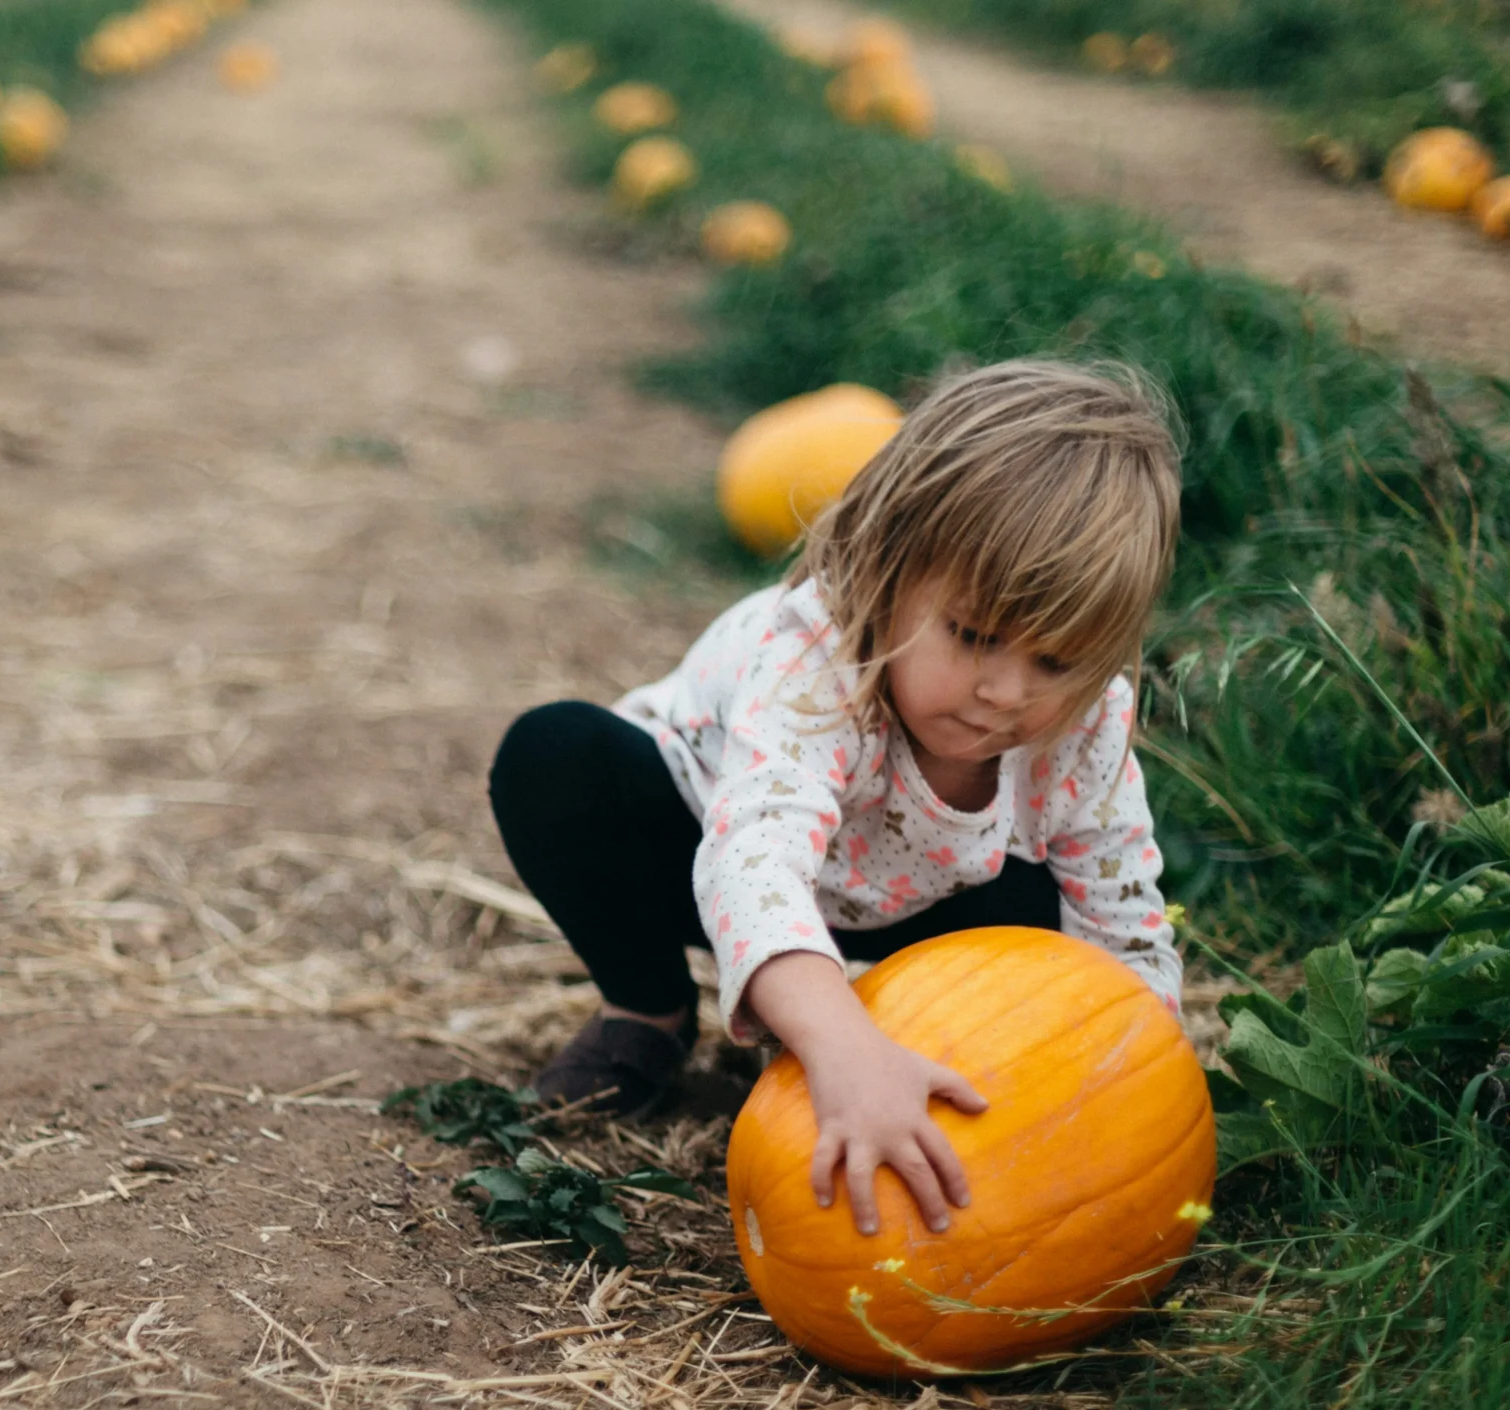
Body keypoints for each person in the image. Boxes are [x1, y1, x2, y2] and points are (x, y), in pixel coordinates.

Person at [489, 359, 1183, 1237]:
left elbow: (1125, 932)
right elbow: (753, 861)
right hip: (700, 847)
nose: (1006, 692)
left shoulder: (1086, 724)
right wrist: (841, 1047)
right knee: (555, 758)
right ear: (887, 571)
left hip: (915, 893)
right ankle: (648, 1009)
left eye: (1056, 661)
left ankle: (921, 1046)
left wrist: (1137, 1098)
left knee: (1051, 921)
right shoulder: (821, 658)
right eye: (973, 635)